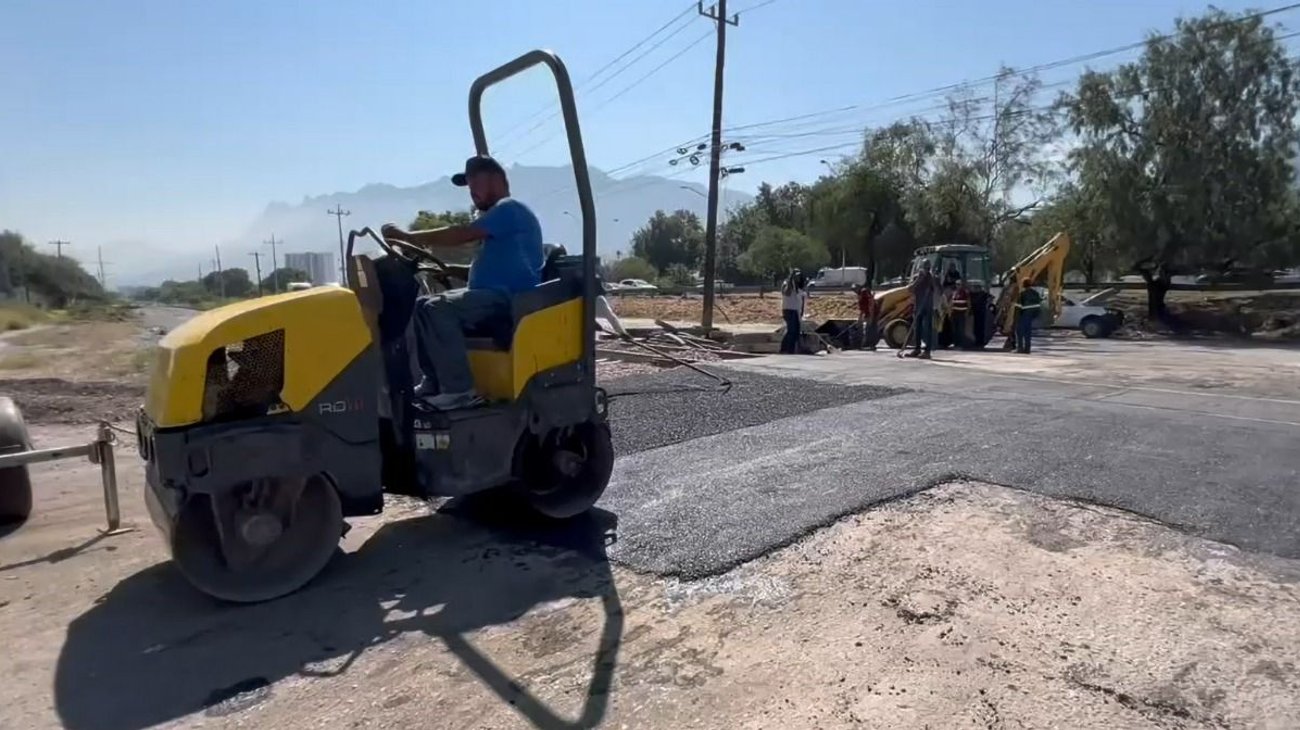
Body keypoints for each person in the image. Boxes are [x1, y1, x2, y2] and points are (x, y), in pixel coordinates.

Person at [381, 155, 543, 409]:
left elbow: (462, 234)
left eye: (474, 183)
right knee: (422, 304)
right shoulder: (501, 220)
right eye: (468, 187)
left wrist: (407, 237)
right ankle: (434, 381)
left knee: (438, 308)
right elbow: (496, 267)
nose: (472, 193)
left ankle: (459, 390)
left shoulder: (510, 208)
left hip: (509, 299)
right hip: (492, 294)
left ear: (496, 179)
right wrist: (449, 270)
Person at [904, 260, 938, 359]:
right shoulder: (917, 277)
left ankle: (927, 351)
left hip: (928, 306)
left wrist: (932, 280)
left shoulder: (932, 278)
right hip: (918, 305)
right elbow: (910, 289)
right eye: (925, 268)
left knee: (927, 329)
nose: (926, 270)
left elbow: (937, 289)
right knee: (917, 328)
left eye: (928, 268)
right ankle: (917, 349)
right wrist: (918, 280)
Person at [779, 269, 809, 354]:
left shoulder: (799, 288)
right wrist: (790, 281)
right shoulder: (787, 284)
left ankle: (790, 349)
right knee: (791, 330)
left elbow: (801, 300)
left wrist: (801, 312)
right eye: (796, 276)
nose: (798, 278)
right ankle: (785, 349)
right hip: (789, 310)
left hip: (796, 311)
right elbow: (786, 293)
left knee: (795, 331)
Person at [1013, 278, 1042, 354]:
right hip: (1032, 315)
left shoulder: (1022, 294)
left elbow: (1018, 307)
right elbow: (1038, 305)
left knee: (1019, 331)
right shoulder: (1035, 293)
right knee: (1028, 332)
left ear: (1023, 285)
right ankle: (1027, 349)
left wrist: (1015, 318)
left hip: (1024, 314)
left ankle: (1020, 348)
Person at [855, 281, 878, 351]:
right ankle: (868, 344)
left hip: (871, 313)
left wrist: (871, 316)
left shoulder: (863, 293)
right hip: (869, 313)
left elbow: (870, 304)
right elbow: (862, 308)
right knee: (869, 328)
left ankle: (869, 344)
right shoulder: (862, 294)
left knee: (869, 328)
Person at [950, 278, 970, 349]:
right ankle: (956, 343)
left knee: (961, 330)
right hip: (954, 313)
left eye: (959, 284)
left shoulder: (965, 292)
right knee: (955, 330)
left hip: (961, 314)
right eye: (957, 284)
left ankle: (961, 344)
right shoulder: (954, 293)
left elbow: (968, 303)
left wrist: (967, 312)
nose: (958, 286)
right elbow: (952, 303)